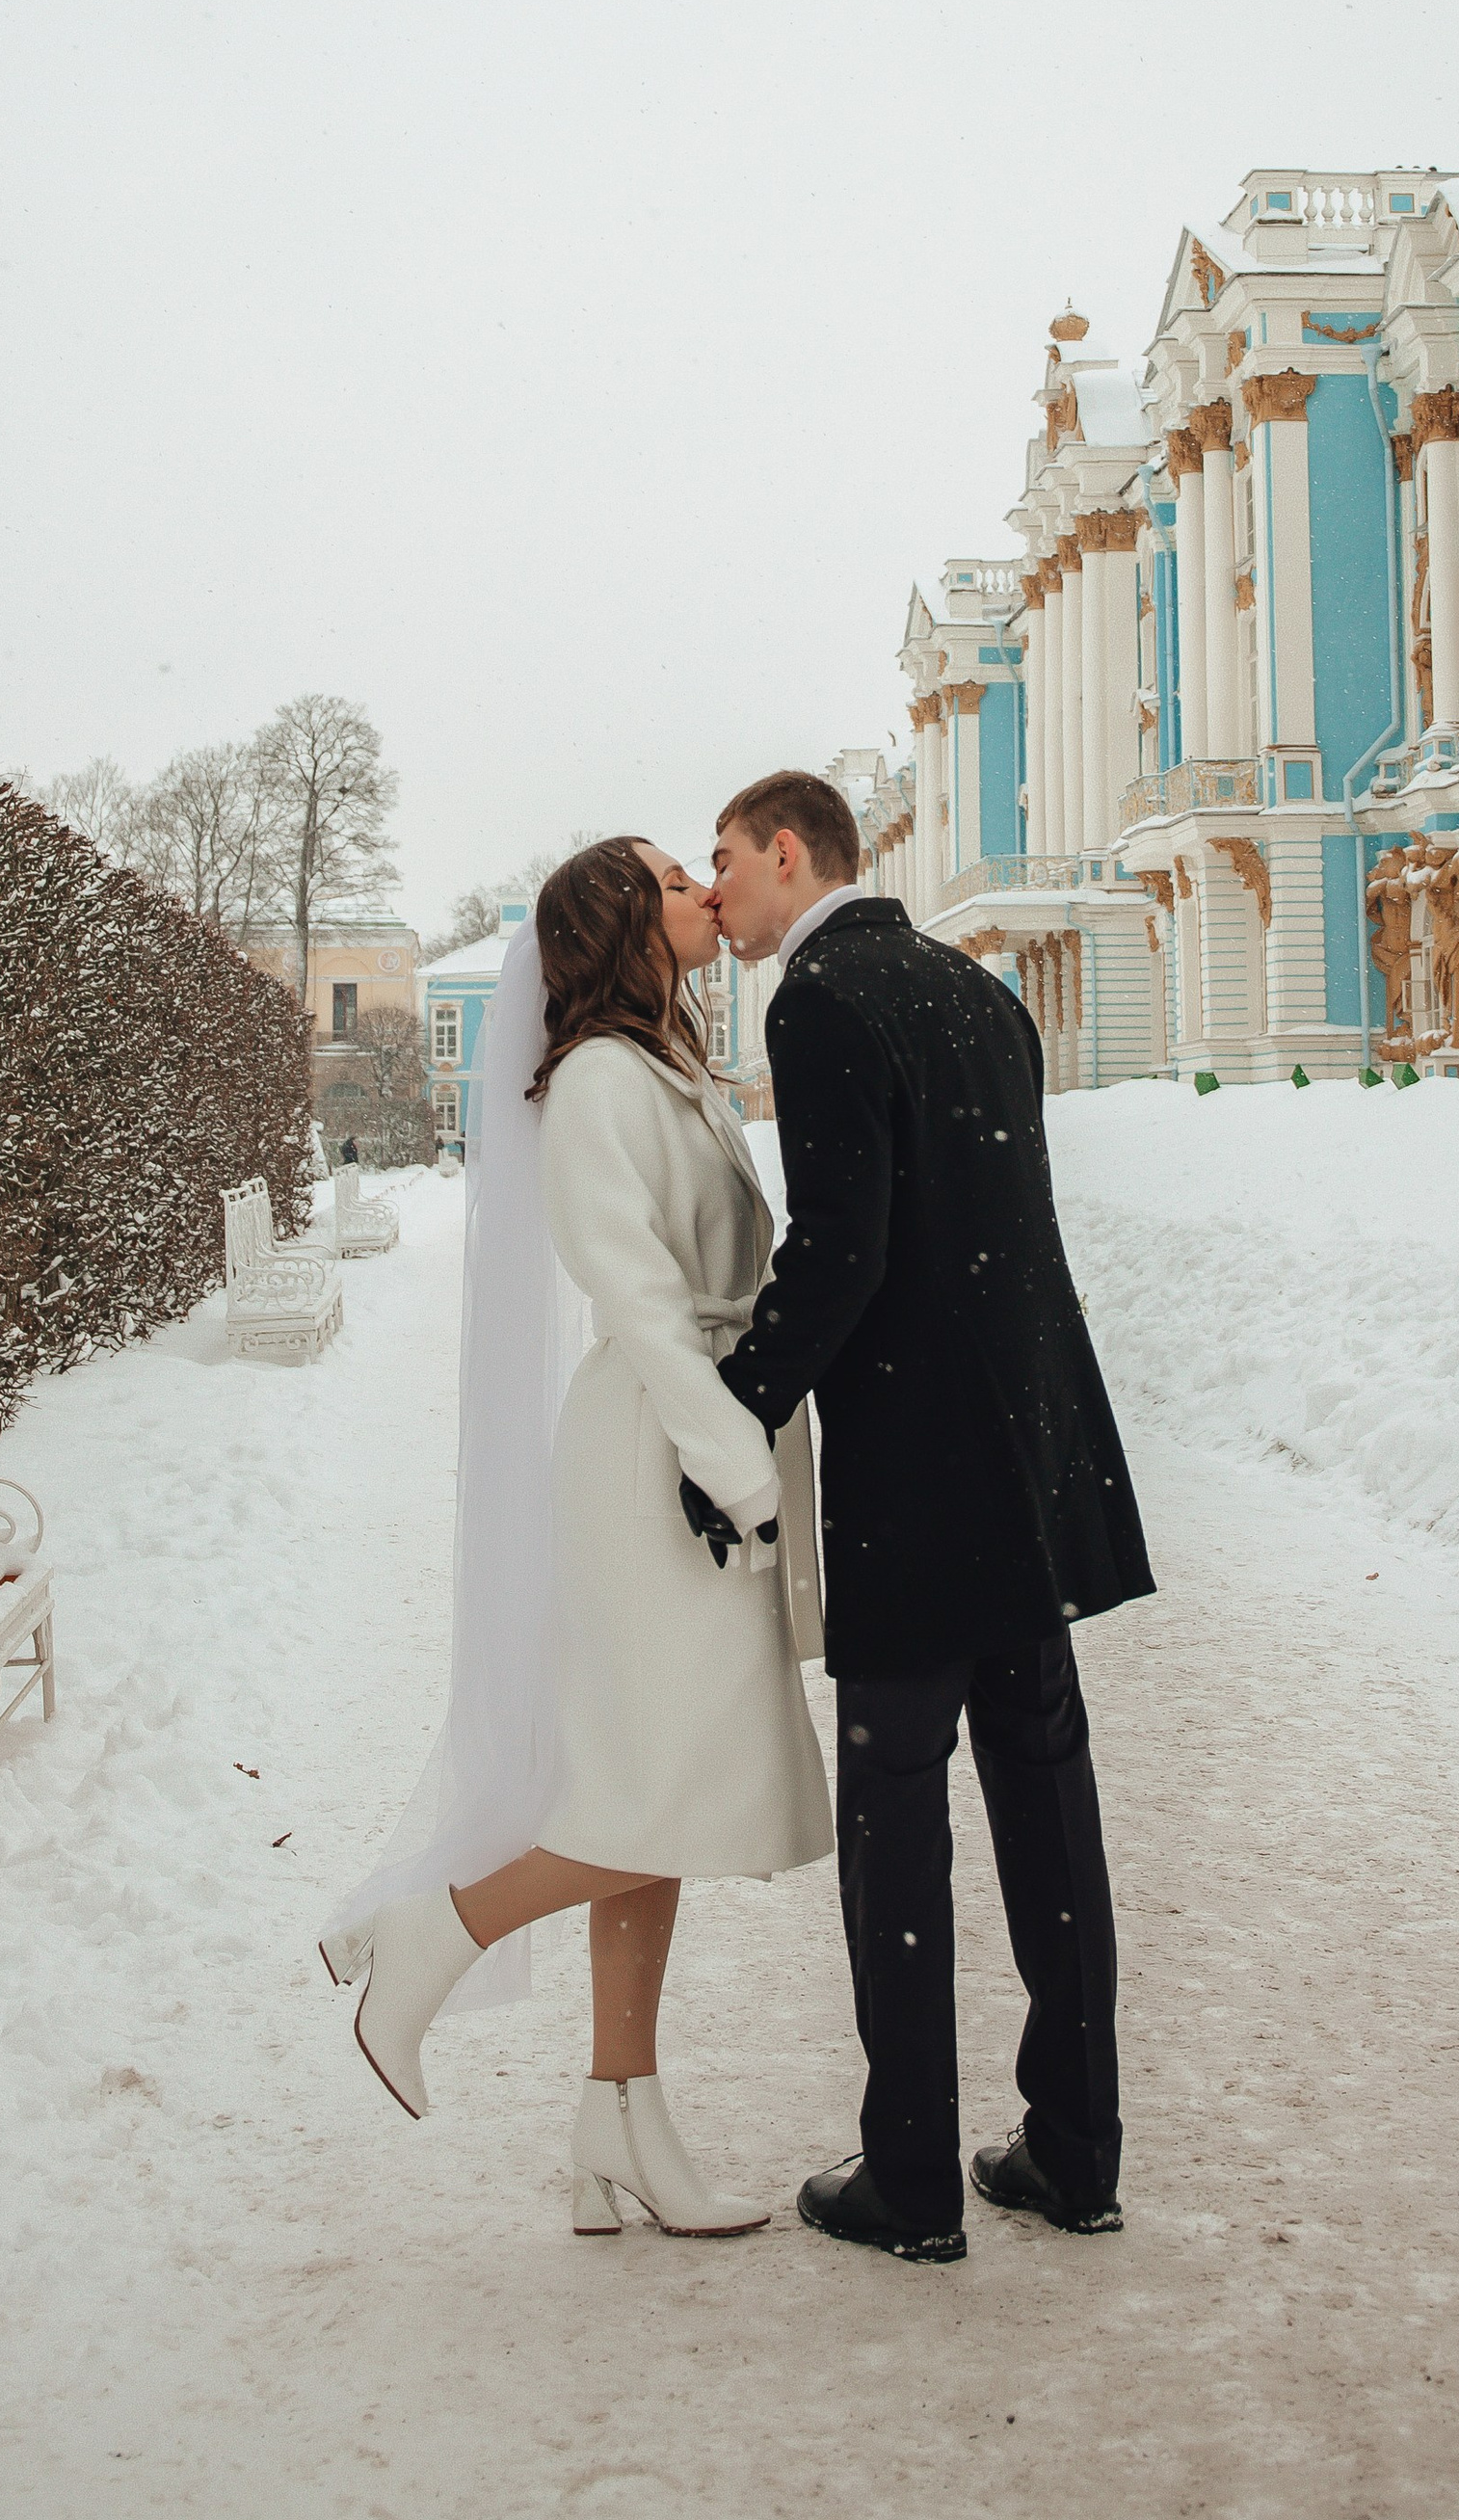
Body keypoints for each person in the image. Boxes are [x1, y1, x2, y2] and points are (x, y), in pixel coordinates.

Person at [321, 838, 829, 2236]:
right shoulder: (605, 1080)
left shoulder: (667, 1064)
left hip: (695, 1432)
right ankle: (444, 1925)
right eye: (675, 878)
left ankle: (618, 2106)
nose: (702, 891)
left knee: (646, 1788)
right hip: (659, 1454)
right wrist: (740, 1474)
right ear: (624, 921)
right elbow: (645, 1302)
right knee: (675, 1788)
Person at [708, 767, 1153, 2264]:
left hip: (917, 1483)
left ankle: (909, 2179)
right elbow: (997, 1228)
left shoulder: (819, 1001)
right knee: (1047, 1805)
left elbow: (841, 1252)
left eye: (728, 866)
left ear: (789, 853)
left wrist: (735, 1410)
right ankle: (1076, 2150)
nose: (719, 900)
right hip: (1027, 1466)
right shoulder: (979, 995)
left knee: (897, 1819)